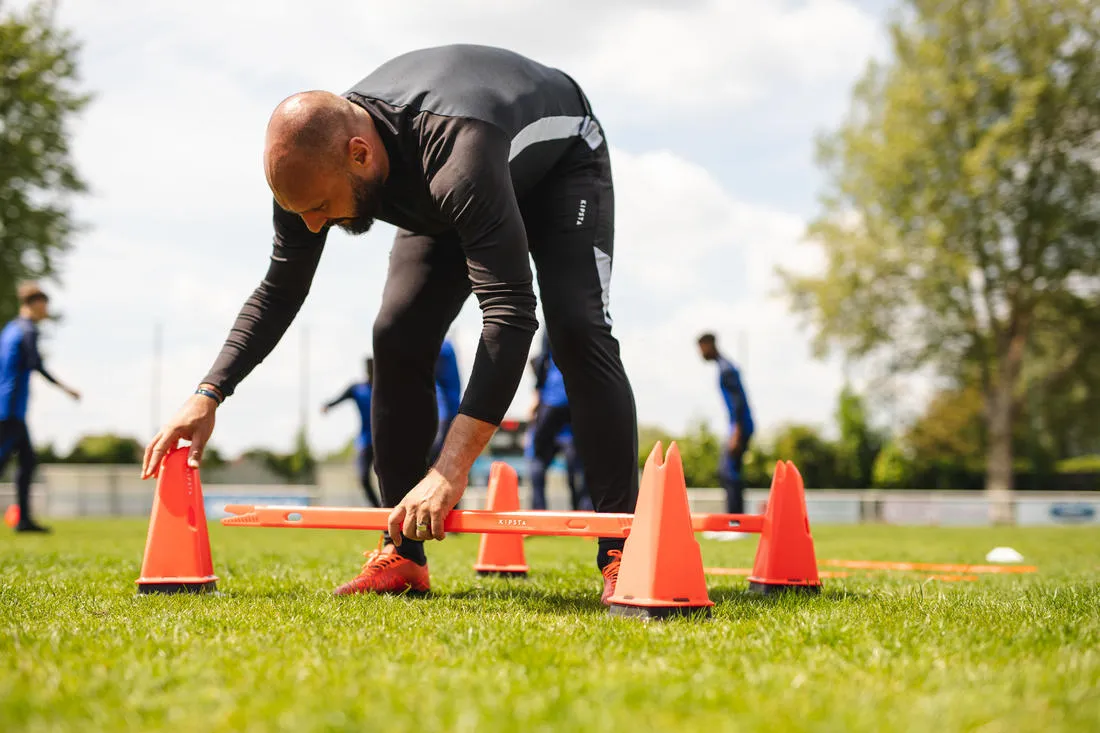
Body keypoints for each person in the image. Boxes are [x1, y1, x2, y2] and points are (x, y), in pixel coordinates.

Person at [142, 45, 639, 604]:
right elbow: (280, 289)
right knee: (397, 334)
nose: (312, 224)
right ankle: (402, 554)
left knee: (576, 329)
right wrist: (209, 392)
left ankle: (624, 547)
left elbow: (509, 315)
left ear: (359, 154)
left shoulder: (458, 156)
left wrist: (450, 471)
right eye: (299, 210)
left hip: (558, 166)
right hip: (445, 192)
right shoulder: (308, 170)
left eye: (321, 207)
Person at [1, 282, 81, 533]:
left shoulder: (9, 329)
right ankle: (24, 519)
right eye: (45, 305)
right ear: (35, 304)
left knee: (28, 460)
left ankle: (24, 520)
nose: (47, 311)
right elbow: (36, 363)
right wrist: (66, 388)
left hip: (11, 407)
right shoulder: (27, 330)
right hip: (10, 408)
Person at [528, 332, 591, 511]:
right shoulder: (589, 315)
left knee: (538, 456)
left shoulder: (552, 319)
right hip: (579, 399)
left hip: (554, 397)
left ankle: (538, 511)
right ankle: (583, 511)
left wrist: (537, 393)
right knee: (579, 462)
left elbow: (542, 361)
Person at [697, 333, 754, 515]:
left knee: (729, 472)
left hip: (740, 426)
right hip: (738, 426)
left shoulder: (726, 369)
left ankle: (736, 523)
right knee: (729, 472)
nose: (700, 353)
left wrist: (736, 433)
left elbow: (737, 403)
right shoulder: (724, 367)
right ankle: (735, 522)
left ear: (709, 345)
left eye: (701, 348)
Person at [321, 357, 381, 507]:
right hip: (366, 441)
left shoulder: (385, 388)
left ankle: (391, 511)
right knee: (362, 477)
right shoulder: (357, 389)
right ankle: (378, 510)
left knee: (387, 479)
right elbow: (340, 398)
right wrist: (328, 405)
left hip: (385, 442)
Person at [428, 338, 462, 465]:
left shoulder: (442, 348)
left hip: (445, 413)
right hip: (446, 412)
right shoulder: (446, 346)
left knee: (437, 459)